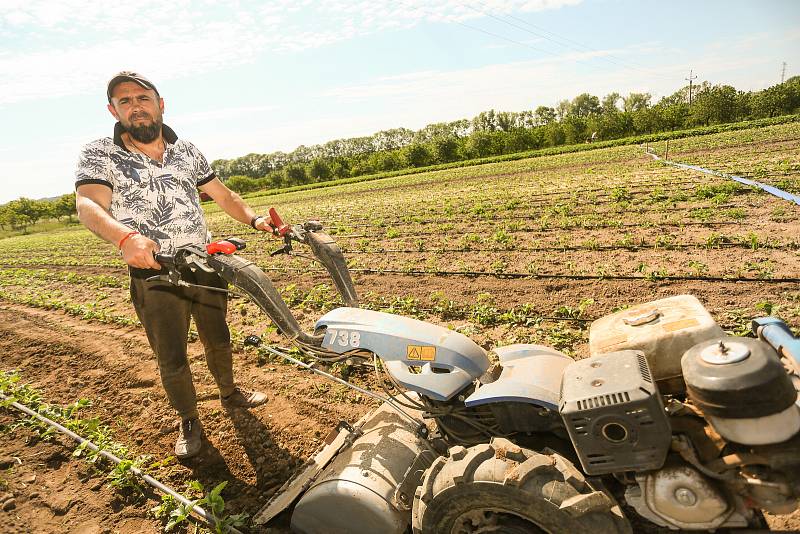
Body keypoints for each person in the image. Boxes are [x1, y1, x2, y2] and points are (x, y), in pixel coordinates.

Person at [75, 71, 273, 459]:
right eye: (125, 101)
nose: (136, 106)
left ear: (160, 104)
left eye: (142, 98)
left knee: (218, 338)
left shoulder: (188, 151)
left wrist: (255, 219)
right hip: (156, 273)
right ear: (112, 110)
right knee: (172, 355)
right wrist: (125, 238)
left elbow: (224, 195)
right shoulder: (100, 153)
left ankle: (230, 393)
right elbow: (88, 204)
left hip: (204, 264)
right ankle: (188, 418)